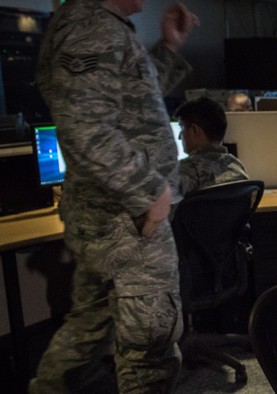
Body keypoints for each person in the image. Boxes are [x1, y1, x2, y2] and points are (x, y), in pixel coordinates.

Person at [30, 0, 197, 392]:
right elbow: (84, 127)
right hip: (126, 221)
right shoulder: (91, 27)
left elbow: (134, 99)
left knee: (90, 325)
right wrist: (148, 192)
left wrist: (168, 48)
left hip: (108, 217)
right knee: (150, 344)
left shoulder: (99, 24)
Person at [174, 97, 249, 196]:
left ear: (195, 130)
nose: (179, 137)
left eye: (181, 127)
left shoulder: (183, 171)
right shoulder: (237, 166)